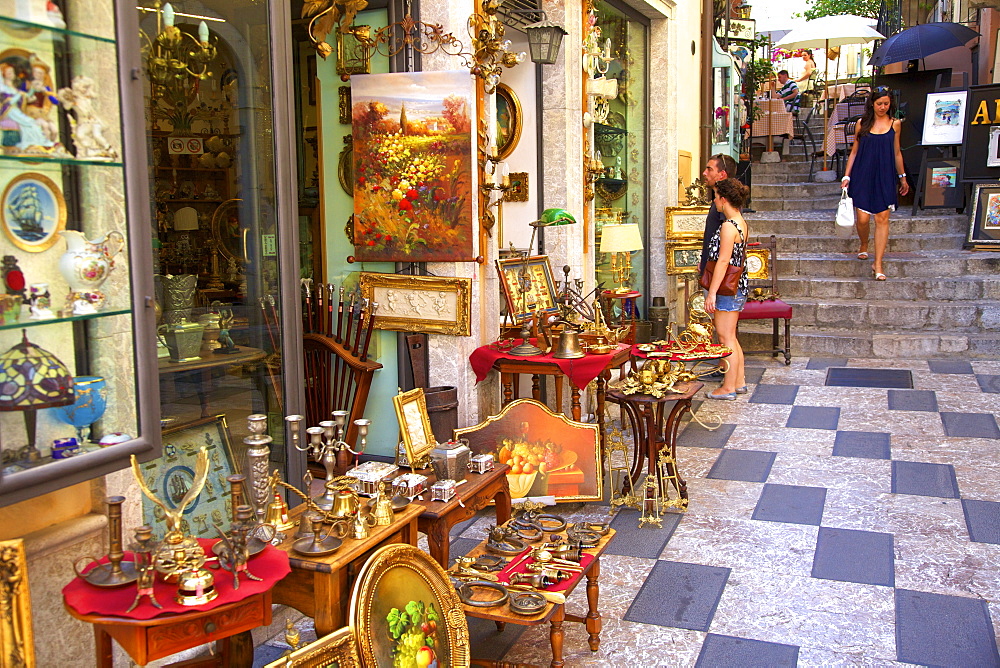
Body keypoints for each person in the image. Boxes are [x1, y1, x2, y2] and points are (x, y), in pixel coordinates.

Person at [841, 87, 909, 281]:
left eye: (886, 104)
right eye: (879, 103)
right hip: (863, 173)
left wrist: (902, 176)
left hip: (885, 175)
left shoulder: (895, 124)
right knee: (862, 219)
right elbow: (854, 151)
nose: (883, 107)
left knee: (882, 218)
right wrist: (847, 176)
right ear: (872, 103)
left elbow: (897, 152)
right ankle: (864, 244)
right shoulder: (862, 123)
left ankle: (878, 263)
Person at [703, 178, 750, 400]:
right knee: (731, 336)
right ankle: (738, 381)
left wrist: (711, 292)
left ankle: (728, 387)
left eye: (715, 197)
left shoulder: (727, 226)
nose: (714, 201)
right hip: (738, 286)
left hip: (727, 288)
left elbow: (723, 262)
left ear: (723, 199)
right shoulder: (741, 221)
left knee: (725, 338)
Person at [698, 153, 738, 276]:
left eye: (709, 169)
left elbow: (725, 252)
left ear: (722, 174)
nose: (704, 173)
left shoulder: (725, 203)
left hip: (719, 276)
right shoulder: (719, 201)